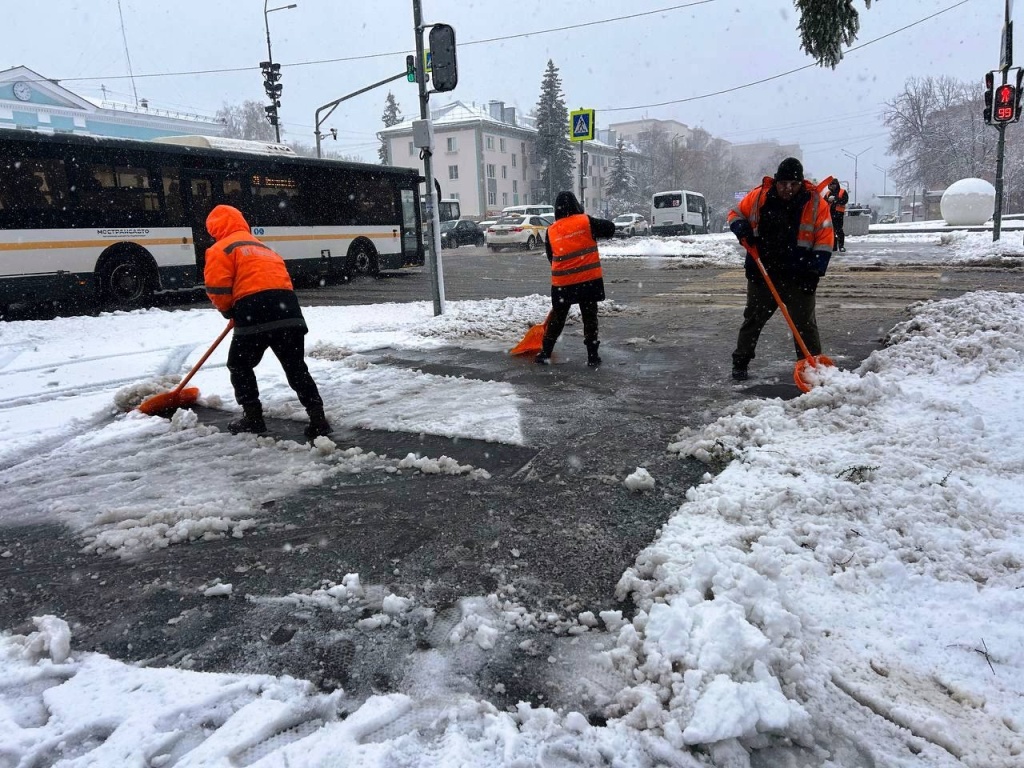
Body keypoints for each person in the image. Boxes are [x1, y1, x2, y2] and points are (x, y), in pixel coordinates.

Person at [203, 204, 332, 440]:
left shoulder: (221, 248)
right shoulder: (263, 248)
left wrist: (228, 309)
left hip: (254, 310)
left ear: (214, 228)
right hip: (288, 310)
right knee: (295, 367)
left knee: (239, 365)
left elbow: (218, 287)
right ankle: (318, 419)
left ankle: (253, 417)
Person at [727, 157, 833, 381]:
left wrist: (814, 272)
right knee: (753, 319)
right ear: (776, 181)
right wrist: (740, 227)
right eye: (783, 183)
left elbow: (824, 239)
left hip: (800, 275)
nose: (788, 189)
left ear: (801, 183)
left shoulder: (815, 203)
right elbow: (735, 213)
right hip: (763, 273)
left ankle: (812, 368)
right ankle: (740, 362)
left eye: (793, 184)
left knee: (804, 324)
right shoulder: (758, 197)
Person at [536, 191, 616, 367]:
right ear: (575, 205)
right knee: (589, 317)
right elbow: (610, 228)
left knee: (558, 319)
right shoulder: (586, 221)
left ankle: (545, 353)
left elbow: (552, 257)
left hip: (562, 284)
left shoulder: (551, 230)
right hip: (588, 281)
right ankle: (592, 356)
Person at [826, 178, 849, 252]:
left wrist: (835, 199)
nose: (831, 187)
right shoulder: (828, 193)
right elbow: (823, 202)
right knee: (831, 231)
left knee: (839, 230)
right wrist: (827, 200)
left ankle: (841, 246)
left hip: (839, 214)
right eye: (830, 185)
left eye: (832, 185)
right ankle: (833, 246)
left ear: (836, 185)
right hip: (830, 214)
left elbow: (844, 200)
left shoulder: (842, 192)